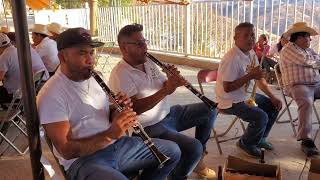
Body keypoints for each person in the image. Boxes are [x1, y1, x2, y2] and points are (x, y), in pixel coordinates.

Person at [37, 27, 181, 180]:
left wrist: (119, 113)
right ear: (63, 57)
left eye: (91, 52)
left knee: (172, 151)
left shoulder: (93, 78)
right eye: (82, 53)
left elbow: (105, 113)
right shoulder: (51, 94)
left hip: (116, 146)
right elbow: (66, 150)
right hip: (85, 161)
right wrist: (110, 134)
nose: (90, 60)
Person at [109, 23, 217, 180]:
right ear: (124, 48)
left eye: (144, 41)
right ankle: (177, 175)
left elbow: (165, 87)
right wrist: (166, 90)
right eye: (139, 44)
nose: (144, 46)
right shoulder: (121, 74)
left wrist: (171, 79)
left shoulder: (149, 62)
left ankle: (197, 159)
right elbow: (135, 109)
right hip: (149, 127)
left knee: (210, 110)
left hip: (169, 114)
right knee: (194, 147)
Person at [215, 22, 282, 158]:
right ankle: (246, 143)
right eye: (246, 36)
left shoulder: (250, 53)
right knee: (261, 117)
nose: (251, 39)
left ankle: (260, 138)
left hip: (244, 97)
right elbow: (227, 88)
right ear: (236, 38)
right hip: (229, 101)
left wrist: (273, 96)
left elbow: (259, 79)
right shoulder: (232, 58)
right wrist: (250, 76)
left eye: (252, 35)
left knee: (273, 106)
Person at [279, 22, 320, 156]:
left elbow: (316, 59)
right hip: (297, 85)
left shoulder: (308, 50)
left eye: (309, 37)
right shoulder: (289, 49)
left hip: (315, 83)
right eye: (307, 37)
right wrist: (314, 61)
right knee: (307, 102)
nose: (310, 39)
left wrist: (314, 60)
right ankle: (305, 139)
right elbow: (307, 61)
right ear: (298, 37)